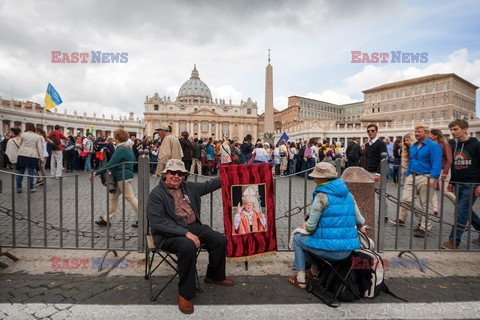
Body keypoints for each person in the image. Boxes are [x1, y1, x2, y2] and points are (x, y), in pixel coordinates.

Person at [147, 159, 234, 314]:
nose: (176, 176)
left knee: (219, 240)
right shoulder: (156, 194)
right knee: (187, 247)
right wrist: (185, 233)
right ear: (165, 174)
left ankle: (214, 275)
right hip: (168, 234)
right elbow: (159, 223)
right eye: (173, 172)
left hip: (193, 227)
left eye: (180, 173)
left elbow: (210, 185)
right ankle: (185, 294)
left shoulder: (189, 187)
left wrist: (233, 172)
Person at [288, 162, 366, 289]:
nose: (314, 180)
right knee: (314, 240)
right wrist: (362, 227)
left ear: (324, 179)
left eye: (316, 177)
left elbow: (311, 227)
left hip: (330, 251)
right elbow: (360, 220)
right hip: (347, 250)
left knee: (298, 239)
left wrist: (304, 226)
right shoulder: (348, 194)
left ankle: (301, 279)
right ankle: (313, 271)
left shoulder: (321, 196)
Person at [441, 119, 480, 249]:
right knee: (466, 211)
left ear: (465, 129)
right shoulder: (455, 146)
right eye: (451, 130)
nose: (452, 132)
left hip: (472, 184)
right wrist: (451, 182)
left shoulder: (476, 145)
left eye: (455, 129)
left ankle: (454, 241)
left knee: (461, 211)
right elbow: (454, 166)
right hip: (458, 183)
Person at [400, 124, 442, 238]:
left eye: (419, 131)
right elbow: (411, 161)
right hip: (412, 175)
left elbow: (437, 163)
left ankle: (424, 228)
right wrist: (407, 175)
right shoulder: (413, 146)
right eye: (415, 131)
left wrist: (433, 178)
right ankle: (422, 219)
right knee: (406, 200)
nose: (417, 133)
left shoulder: (433, 146)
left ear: (427, 133)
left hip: (426, 176)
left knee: (426, 204)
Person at [91, 128, 138, 227]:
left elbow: (110, 164)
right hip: (126, 175)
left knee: (130, 197)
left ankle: (143, 217)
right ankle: (106, 219)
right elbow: (134, 161)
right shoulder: (128, 148)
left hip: (122, 177)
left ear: (117, 138)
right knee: (113, 198)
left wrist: (96, 173)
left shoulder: (121, 149)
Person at [363, 124, 388, 221]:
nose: (370, 132)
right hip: (368, 172)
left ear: (376, 131)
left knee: (381, 195)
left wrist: (379, 173)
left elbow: (383, 159)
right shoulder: (367, 144)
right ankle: (368, 214)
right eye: (368, 131)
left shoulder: (381, 144)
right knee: (367, 195)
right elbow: (366, 159)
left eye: (372, 130)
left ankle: (384, 215)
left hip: (377, 173)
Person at [429, 128, 455, 215]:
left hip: (443, 170)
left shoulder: (445, 145)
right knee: (430, 189)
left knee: (444, 191)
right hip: (434, 170)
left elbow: (449, 160)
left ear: (436, 136)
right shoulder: (431, 145)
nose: (429, 136)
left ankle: (459, 205)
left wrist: (445, 172)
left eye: (431, 134)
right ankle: (435, 209)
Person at [16, 123, 43, 193]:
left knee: (21, 171)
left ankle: (19, 187)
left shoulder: (22, 134)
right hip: (32, 155)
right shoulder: (37, 136)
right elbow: (39, 148)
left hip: (22, 154)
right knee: (31, 172)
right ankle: (31, 188)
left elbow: (20, 144)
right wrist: (42, 157)